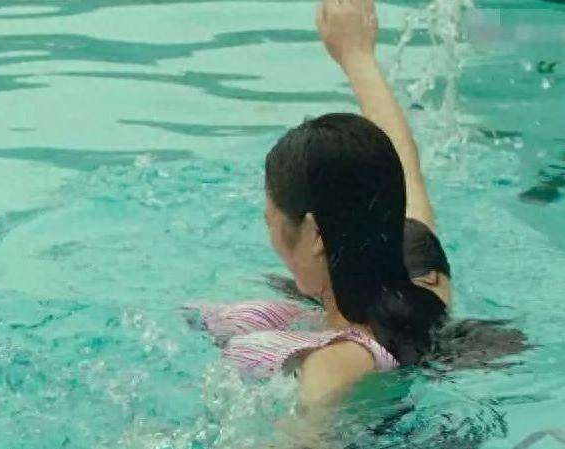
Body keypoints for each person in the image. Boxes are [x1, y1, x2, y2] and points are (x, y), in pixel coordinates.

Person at [185, 0, 526, 420]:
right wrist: (356, 56)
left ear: (314, 234)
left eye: (270, 216)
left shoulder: (335, 366)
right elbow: (404, 171)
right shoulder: (425, 285)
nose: (268, 225)